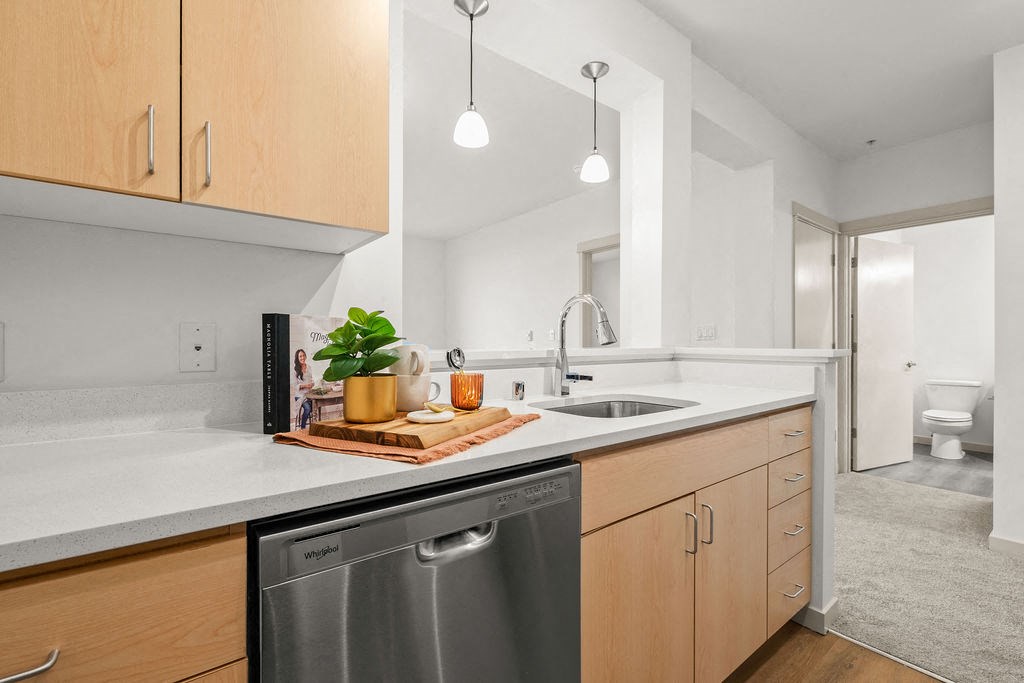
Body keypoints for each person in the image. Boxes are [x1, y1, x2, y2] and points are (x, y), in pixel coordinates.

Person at [293, 349, 315, 429]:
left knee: (316, 406)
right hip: (300, 396)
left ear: (305, 356)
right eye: (300, 356)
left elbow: (311, 380)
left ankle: (315, 427)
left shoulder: (309, 367)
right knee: (308, 409)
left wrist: (312, 384)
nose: (302, 358)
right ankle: (302, 427)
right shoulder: (295, 370)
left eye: (303, 355)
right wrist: (305, 386)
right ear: (297, 358)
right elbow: (295, 385)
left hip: (309, 394)